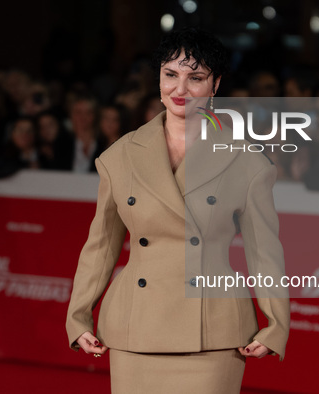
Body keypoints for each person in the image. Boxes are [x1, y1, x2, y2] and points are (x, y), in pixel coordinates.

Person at [65, 27, 289, 394]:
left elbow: (264, 253)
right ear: (158, 79)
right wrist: (78, 316)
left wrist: (277, 324)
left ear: (215, 85)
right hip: (135, 327)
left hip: (212, 332)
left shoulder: (247, 162)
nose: (180, 90)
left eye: (195, 78)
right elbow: (101, 245)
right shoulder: (120, 156)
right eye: (171, 75)